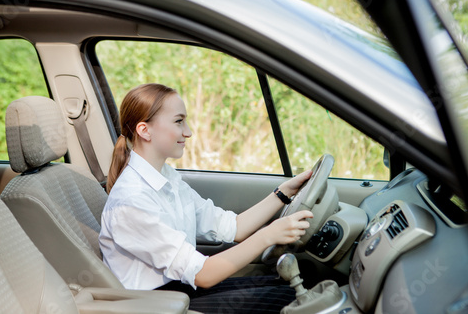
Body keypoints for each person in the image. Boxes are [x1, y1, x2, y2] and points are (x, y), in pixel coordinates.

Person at [99, 83, 314, 313]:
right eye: (178, 121)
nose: (188, 132)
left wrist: (283, 193)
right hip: (157, 305)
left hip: (178, 290)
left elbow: (233, 227)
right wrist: (268, 235)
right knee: (289, 297)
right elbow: (202, 275)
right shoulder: (131, 201)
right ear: (145, 130)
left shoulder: (167, 178)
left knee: (301, 278)